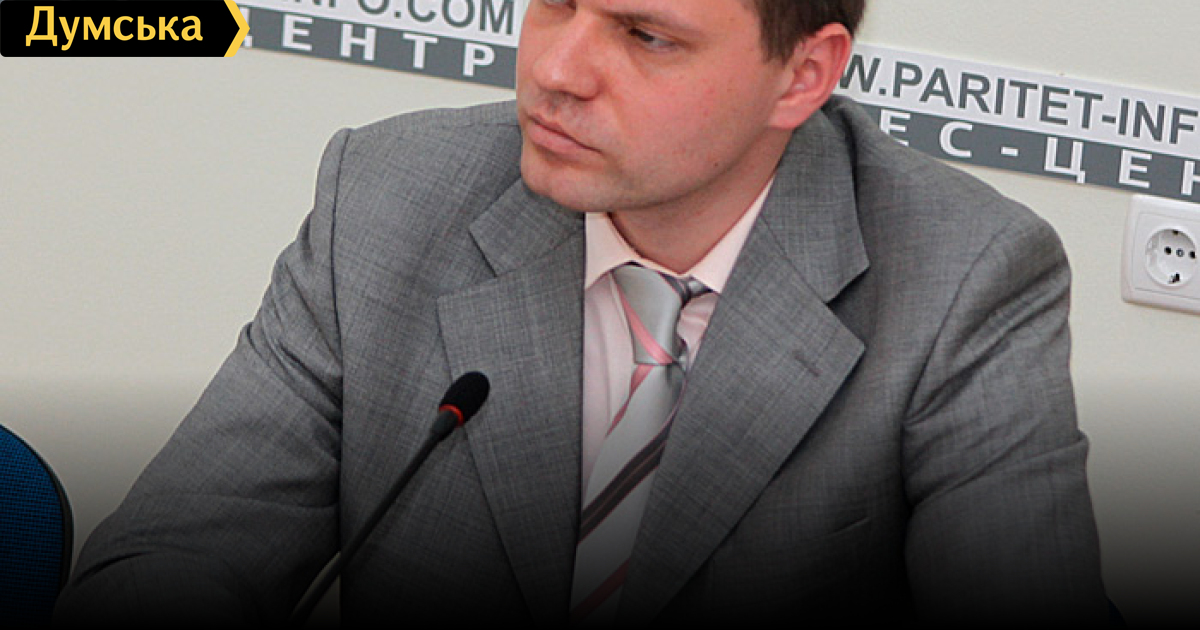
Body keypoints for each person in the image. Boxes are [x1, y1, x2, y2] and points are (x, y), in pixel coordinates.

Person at [55, 0, 1112, 627]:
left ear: (803, 75)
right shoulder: (387, 197)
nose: (556, 70)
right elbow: (179, 552)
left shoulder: (964, 277)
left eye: (646, 35)